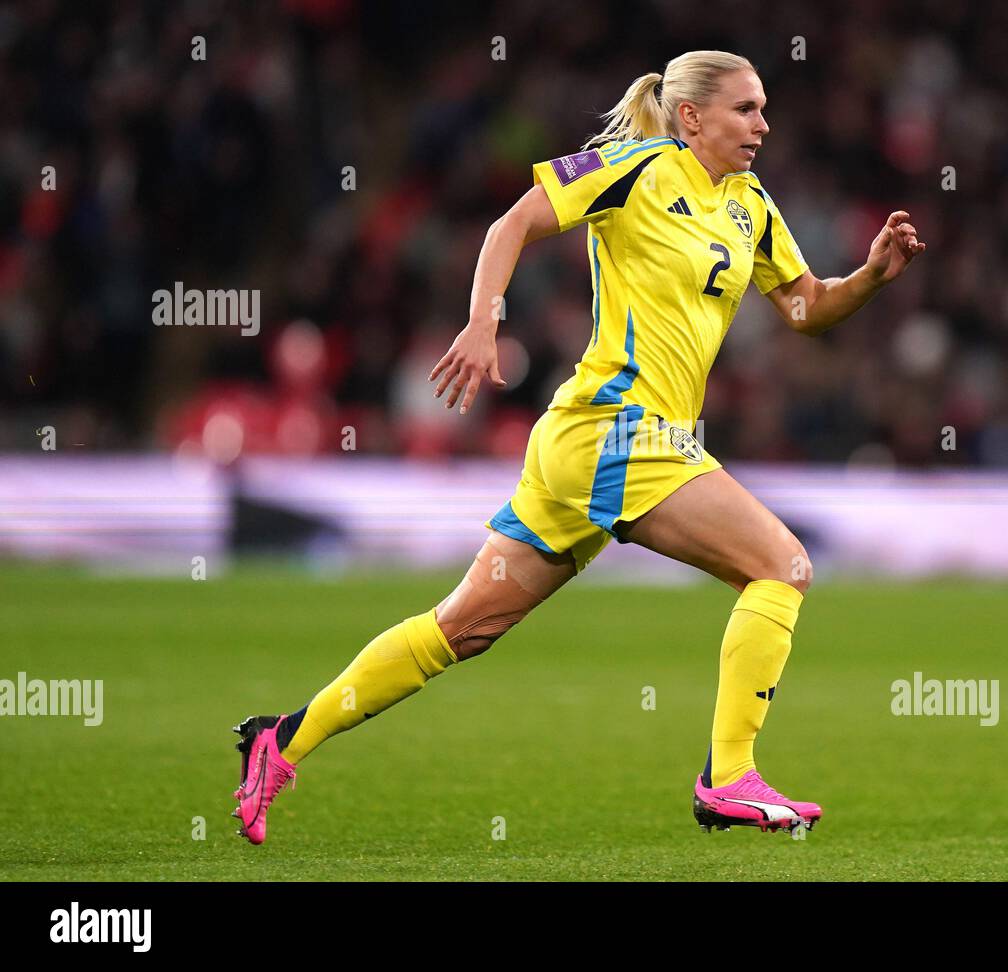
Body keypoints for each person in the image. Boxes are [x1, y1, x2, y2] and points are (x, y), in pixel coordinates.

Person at [232, 49, 925, 844]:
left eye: (765, 108)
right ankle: (728, 776)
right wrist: (484, 317)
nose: (763, 124)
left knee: (460, 629)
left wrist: (870, 276)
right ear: (692, 116)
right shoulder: (631, 168)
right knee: (783, 565)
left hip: (596, 448)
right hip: (614, 427)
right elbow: (513, 221)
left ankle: (280, 740)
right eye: (746, 109)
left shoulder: (750, 204)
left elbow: (805, 308)